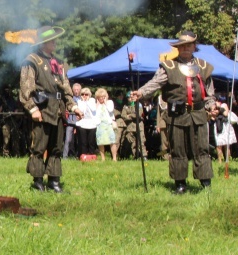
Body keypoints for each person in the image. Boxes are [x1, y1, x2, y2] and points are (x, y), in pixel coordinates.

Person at [132, 31, 217, 194]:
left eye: (189, 45)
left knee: (202, 149)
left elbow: (209, 93)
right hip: (177, 115)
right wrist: (141, 92)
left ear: (194, 47)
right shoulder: (169, 66)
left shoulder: (204, 67)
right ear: (178, 48)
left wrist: (212, 106)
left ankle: (205, 183)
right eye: (182, 45)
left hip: (199, 115)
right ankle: (180, 184)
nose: (185, 48)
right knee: (178, 149)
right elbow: (155, 83)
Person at [20, 26, 82, 192]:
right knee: (39, 147)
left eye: (55, 39)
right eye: (51, 40)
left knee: (56, 148)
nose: (55, 42)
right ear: (43, 43)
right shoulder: (32, 60)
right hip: (42, 109)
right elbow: (26, 88)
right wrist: (32, 108)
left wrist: (74, 107)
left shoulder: (59, 63)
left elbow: (66, 89)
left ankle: (54, 181)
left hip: (58, 110)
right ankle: (37, 182)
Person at [94, 88, 118, 161]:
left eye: (103, 97)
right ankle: (103, 158)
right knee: (100, 142)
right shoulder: (96, 105)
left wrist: (105, 102)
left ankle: (114, 158)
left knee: (112, 141)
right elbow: (94, 114)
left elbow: (110, 110)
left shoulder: (109, 102)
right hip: (100, 125)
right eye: (99, 97)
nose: (101, 98)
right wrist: (97, 105)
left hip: (108, 124)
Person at [212, 97, 237, 162]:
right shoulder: (213, 105)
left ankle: (228, 160)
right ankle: (220, 161)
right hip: (218, 125)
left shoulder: (224, 105)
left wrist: (219, 108)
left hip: (225, 126)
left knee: (226, 144)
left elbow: (225, 114)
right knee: (219, 145)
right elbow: (213, 116)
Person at [76, 87, 98, 157]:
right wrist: (83, 101)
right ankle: (83, 155)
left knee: (91, 141)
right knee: (83, 141)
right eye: (82, 94)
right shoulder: (79, 101)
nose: (84, 96)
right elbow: (81, 110)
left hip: (92, 124)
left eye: (86, 94)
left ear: (89, 95)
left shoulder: (92, 100)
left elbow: (93, 109)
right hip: (83, 123)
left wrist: (87, 101)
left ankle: (91, 155)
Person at [63, 83, 81, 158]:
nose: (76, 91)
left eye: (78, 90)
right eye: (75, 90)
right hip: (70, 121)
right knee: (68, 139)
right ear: (72, 90)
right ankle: (65, 156)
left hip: (80, 122)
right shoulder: (69, 99)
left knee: (80, 140)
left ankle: (79, 155)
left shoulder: (82, 99)